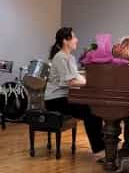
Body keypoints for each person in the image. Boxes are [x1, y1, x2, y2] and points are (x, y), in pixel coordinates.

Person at [44, 27, 105, 158]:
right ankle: (99, 151)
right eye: (74, 37)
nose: (77, 40)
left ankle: (103, 146)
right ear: (66, 40)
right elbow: (70, 82)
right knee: (90, 112)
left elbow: (77, 76)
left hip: (65, 97)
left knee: (95, 110)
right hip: (54, 100)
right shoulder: (60, 57)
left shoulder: (70, 57)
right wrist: (90, 83)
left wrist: (90, 81)